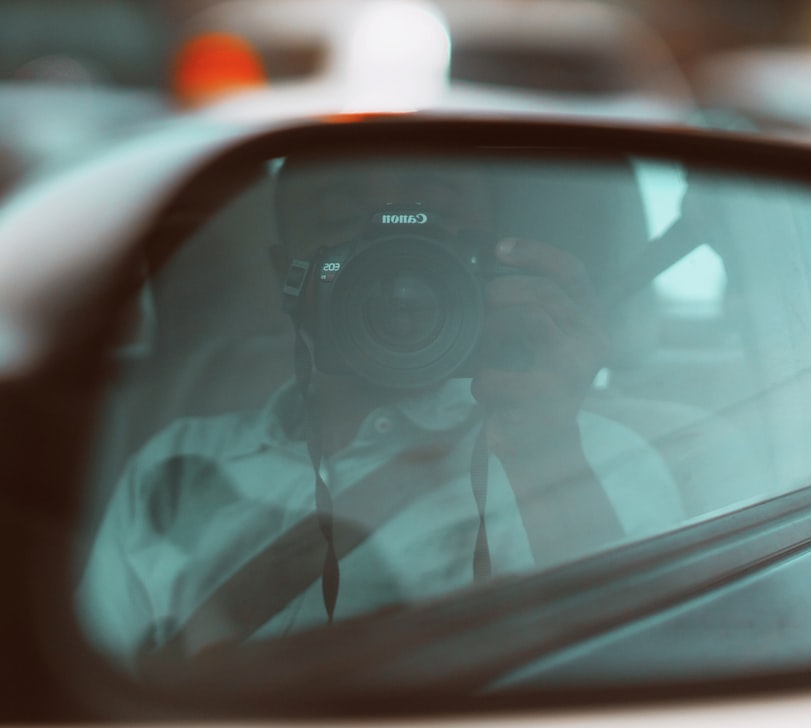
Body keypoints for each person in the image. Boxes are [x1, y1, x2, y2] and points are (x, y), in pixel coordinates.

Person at [76, 154, 685, 670]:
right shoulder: (177, 468)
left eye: (435, 225)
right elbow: (92, 686)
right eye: (341, 224)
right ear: (287, 276)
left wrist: (545, 451)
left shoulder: (596, 458)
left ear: (495, 263)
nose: (396, 273)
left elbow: (630, 669)